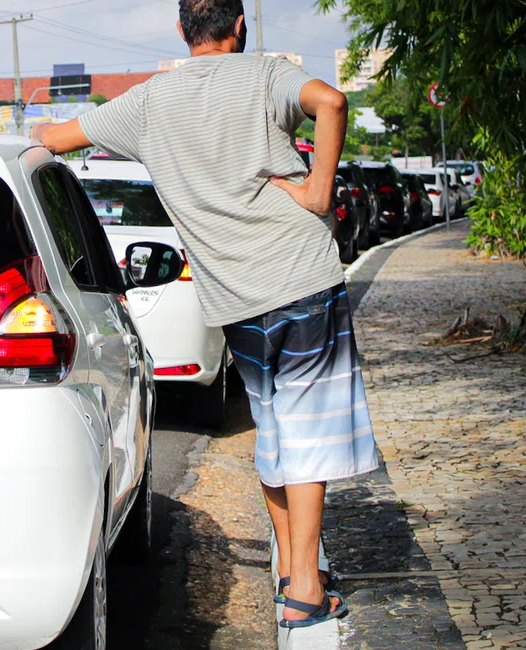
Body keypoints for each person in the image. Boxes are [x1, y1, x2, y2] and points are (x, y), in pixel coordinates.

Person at [32, 0, 379, 629]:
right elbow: (331, 102)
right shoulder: (266, 74)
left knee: (272, 425)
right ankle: (304, 587)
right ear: (238, 27)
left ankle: (289, 574)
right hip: (299, 274)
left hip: (235, 294)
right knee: (307, 434)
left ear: (182, 32)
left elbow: (51, 140)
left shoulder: (147, 102)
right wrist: (316, 193)